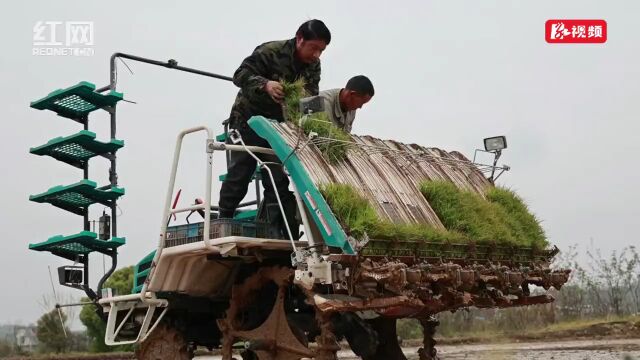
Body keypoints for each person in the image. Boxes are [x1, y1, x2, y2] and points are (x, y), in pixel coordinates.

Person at [218, 19, 331, 240]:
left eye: (322, 50)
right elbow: (239, 75)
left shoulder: (313, 66)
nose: (317, 54)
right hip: (247, 121)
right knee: (239, 176)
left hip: (277, 129)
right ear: (300, 39)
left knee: (278, 181)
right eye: (314, 48)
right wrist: (265, 84)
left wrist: (307, 110)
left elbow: (310, 97)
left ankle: (281, 233)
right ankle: (223, 223)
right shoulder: (270, 51)